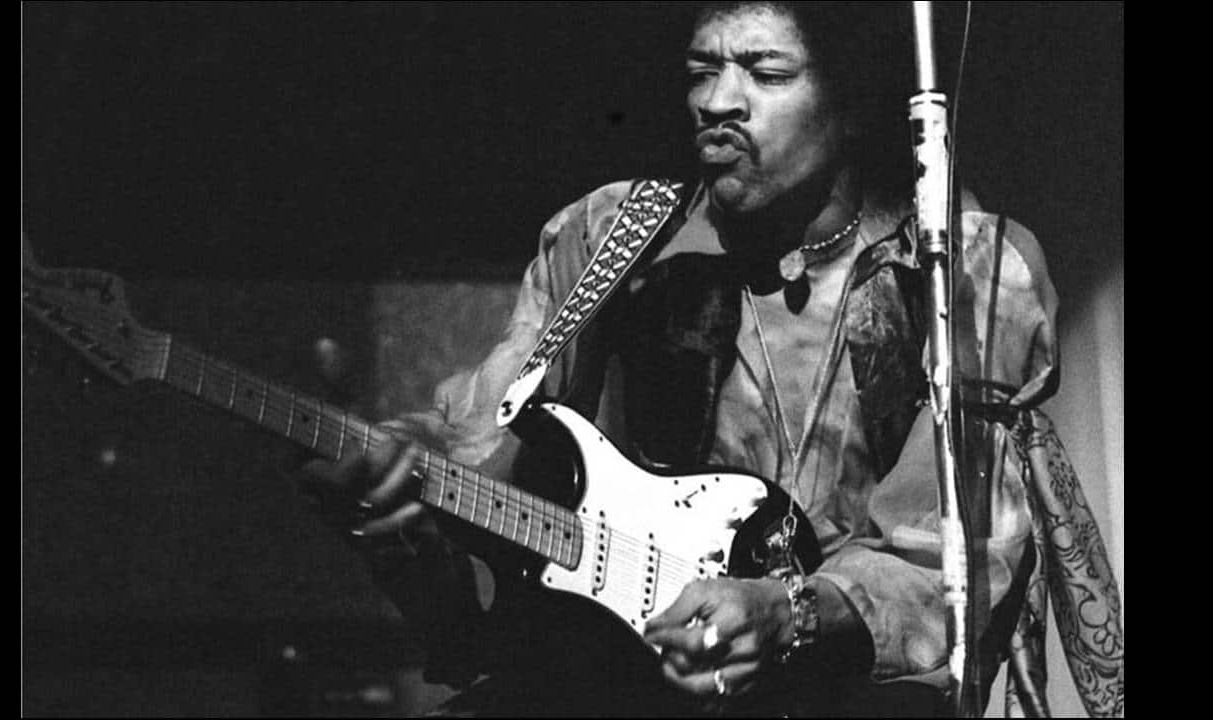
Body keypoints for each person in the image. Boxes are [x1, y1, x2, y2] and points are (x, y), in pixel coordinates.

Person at [302, 2, 1123, 717]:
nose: (718, 101)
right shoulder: (611, 237)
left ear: (848, 104)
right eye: (703, 71)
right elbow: (487, 438)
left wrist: (795, 611)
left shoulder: (961, 270)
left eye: (765, 72)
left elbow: (952, 551)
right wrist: (406, 459)